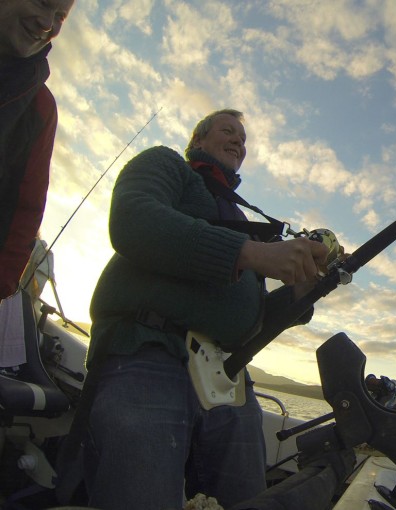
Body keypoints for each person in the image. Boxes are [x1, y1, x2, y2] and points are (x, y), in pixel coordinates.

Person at [81, 109, 334, 509]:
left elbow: (253, 319)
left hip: (228, 381)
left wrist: (304, 291)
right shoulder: (167, 165)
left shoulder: (242, 218)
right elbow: (133, 218)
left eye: (244, 139)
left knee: (248, 499)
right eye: (228, 131)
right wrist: (250, 252)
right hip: (149, 354)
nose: (239, 141)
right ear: (198, 140)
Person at [0, 0, 75, 300]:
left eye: (60, 17)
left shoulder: (41, 109)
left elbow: (25, 210)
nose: (48, 24)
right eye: (44, 3)